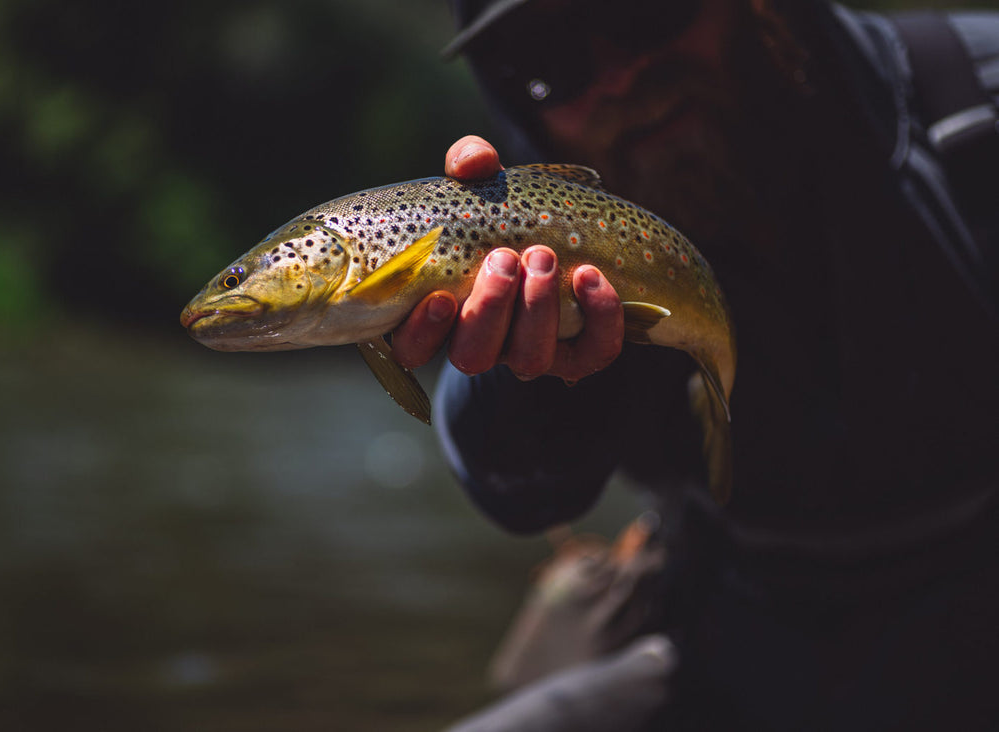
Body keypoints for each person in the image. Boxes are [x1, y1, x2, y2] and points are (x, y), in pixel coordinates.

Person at [390, 1, 999, 730]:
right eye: (547, 60)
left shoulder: (977, 102)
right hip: (736, 633)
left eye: (645, 11)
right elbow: (512, 492)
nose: (618, 75)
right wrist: (528, 374)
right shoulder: (538, 226)